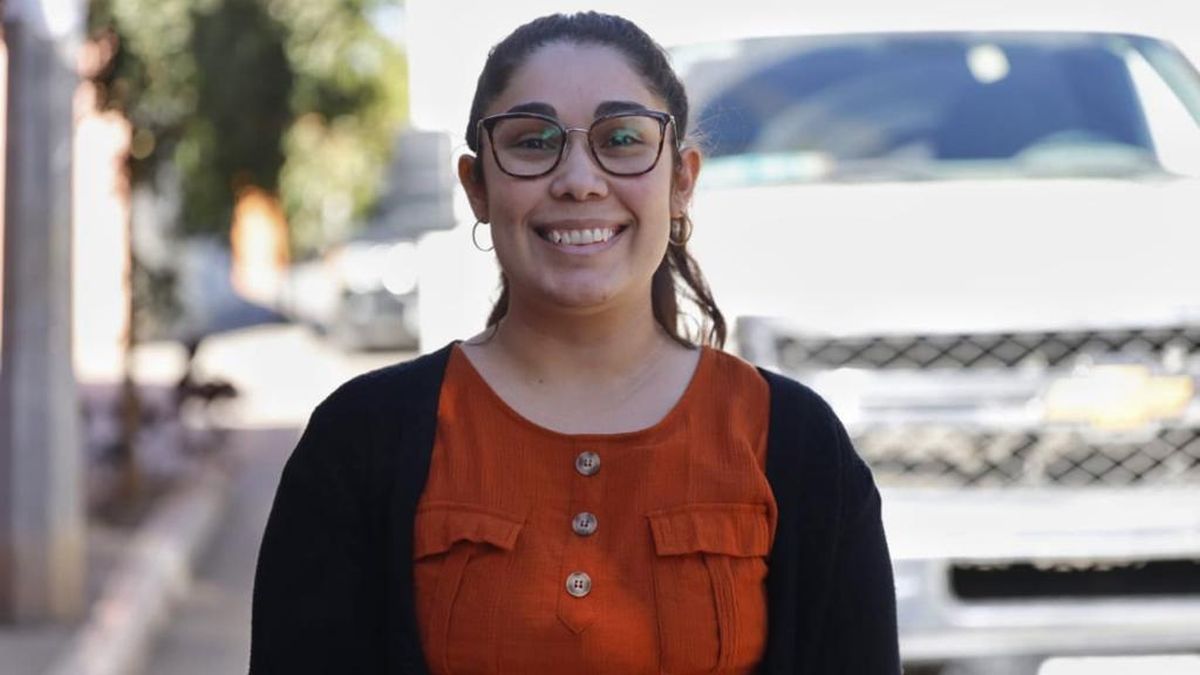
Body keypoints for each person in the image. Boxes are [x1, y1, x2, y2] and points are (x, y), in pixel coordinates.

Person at [250, 11, 898, 675]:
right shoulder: (360, 440)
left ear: (681, 181)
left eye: (622, 139)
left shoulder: (796, 443)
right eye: (534, 142)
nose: (579, 180)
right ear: (477, 187)